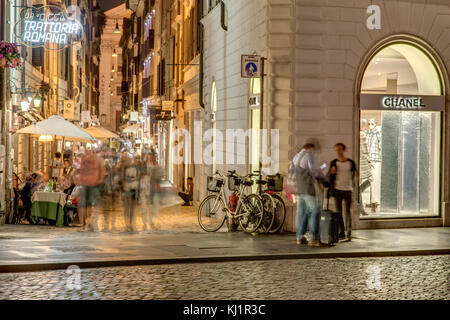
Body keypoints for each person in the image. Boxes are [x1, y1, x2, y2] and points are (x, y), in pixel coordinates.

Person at [291, 143, 325, 246]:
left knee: (302, 213)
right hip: (307, 188)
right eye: (313, 150)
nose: (314, 152)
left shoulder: (295, 157)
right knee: (315, 211)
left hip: (298, 190)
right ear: (310, 148)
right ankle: (313, 238)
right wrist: (321, 172)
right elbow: (314, 172)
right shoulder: (308, 155)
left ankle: (299, 237)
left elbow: (291, 172)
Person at [328, 143, 357, 242]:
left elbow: (355, 175)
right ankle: (341, 232)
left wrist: (354, 183)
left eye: (340, 149)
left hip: (348, 190)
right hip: (337, 190)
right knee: (339, 212)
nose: (338, 152)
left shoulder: (350, 162)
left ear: (344, 150)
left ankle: (348, 233)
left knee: (347, 212)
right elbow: (330, 177)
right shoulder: (334, 162)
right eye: (336, 150)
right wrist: (332, 173)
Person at [77, 150, 104, 230]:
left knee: (85, 205)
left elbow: (80, 170)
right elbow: (101, 170)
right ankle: (85, 223)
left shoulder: (86, 159)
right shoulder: (96, 160)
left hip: (90, 184)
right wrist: (100, 179)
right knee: (86, 205)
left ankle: (85, 223)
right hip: (89, 184)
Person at [119, 152, 140, 232]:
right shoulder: (122, 167)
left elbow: (137, 177)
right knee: (127, 207)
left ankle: (130, 224)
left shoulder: (134, 167)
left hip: (132, 188)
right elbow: (121, 179)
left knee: (131, 207)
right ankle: (127, 224)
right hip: (126, 188)